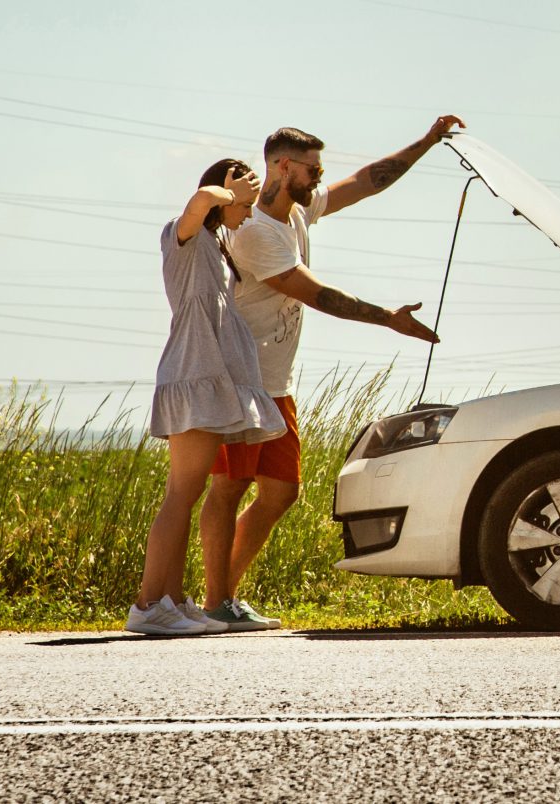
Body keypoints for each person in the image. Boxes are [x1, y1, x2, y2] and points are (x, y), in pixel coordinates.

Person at [197, 117, 460, 631]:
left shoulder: (296, 211)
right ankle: (215, 601)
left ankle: (222, 596)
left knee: (280, 491)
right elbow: (317, 295)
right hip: (240, 378)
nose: (320, 176)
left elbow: (365, 183)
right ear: (283, 165)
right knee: (230, 486)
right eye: (313, 168)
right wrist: (389, 319)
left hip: (274, 380)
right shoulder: (253, 233)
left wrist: (427, 142)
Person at [130, 159, 287, 637]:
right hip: (193, 377)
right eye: (246, 203)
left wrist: (234, 197)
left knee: (187, 492)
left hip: (206, 380)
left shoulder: (216, 249)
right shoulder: (185, 235)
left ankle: (173, 600)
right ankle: (149, 604)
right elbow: (199, 203)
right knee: (181, 494)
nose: (249, 213)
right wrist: (224, 192)